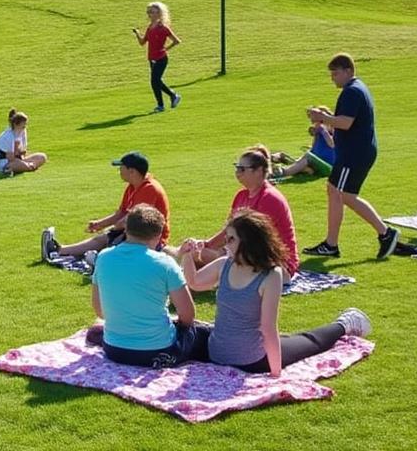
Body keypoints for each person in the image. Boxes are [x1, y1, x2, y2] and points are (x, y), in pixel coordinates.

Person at [178, 210, 372, 376]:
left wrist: (187, 257)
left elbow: (194, 282)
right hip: (251, 361)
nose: (225, 244)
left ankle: (346, 324)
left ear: (248, 242)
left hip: (217, 354)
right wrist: (277, 373)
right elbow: (268, 328)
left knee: (285, 340)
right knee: (309, 341)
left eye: (230, 239)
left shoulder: (237, 268)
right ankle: (346, 324)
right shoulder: (258, 272)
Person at [302, 53, 401, 260]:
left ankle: (379, 234)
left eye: (335, 73)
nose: (333, 78)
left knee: (342, 194)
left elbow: (346, 123)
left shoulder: (352, 92)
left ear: (348, 71)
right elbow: (346, 122)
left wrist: (322, 117)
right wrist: (326, 122)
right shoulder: (355, 89)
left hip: (355, 153)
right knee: (335, 190)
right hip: (355, 151)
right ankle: (337, 242)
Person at [91, 205, 201, 368]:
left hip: (114, 349)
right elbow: (188, 315)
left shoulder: (104, 257)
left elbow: (100, 310)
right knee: (200, 335)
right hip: (157, 350)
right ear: (158, 235)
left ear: (126, 230)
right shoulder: (164, 263)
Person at [184, 144, 300, 277]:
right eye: (237, 168)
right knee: (196, 255)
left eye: (242, 169)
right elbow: (228, 231)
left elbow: (259, 241)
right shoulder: (241, 195)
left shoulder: (270, 199)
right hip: (245, 252)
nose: (237, 172)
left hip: (273, 261)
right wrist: (206, 244)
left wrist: (222, 252)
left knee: (206, 260)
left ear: (259, 171)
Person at [40, 151, 168, 272]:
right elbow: (121, 213)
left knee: (112, 241)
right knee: (104, 238)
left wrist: (116, 227)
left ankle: (100, 262)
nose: (119, 170)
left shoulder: (149, 189)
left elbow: (134, 217)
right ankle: (60, 250)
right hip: (136, 231)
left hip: (149, 238)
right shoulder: (132, 187)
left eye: (121, 167)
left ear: (132, 171)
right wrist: (100, 224)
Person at [132, 2, 181, 113]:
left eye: (152, 12)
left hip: (161, 59)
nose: (149, 14)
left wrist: (166, 49)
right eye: (148, 12)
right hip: (151, 58)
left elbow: (176, 41)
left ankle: (163, 104)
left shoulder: (163, 28)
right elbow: (142, 42)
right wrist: (137, 33)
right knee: (156, 81)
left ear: (159, 14)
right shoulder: (150, 28)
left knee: (155, 81)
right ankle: (171, 97)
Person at [271, 121, 336, 181]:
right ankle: (305, 169)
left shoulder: (335, 132)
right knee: (306, 157)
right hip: (318, 161)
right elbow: (313, 149)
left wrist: (323, 130)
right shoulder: (320, 134)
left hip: (329, 167)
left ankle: (284, 172)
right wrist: (316, 134)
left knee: (308, 157)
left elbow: (332, 144)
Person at [0, 108, 48, 175]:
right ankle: (27, 167)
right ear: (16, 124)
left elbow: (23, 152)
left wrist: (22, 156)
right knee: (16, 165)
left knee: (42, 157)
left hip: (19, 160)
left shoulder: (23, 132)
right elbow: (11, 158)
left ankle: (27, 167)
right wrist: (21, 157)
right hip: (6, 162)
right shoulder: (8, 136)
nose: (25, 127)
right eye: (23, 125)